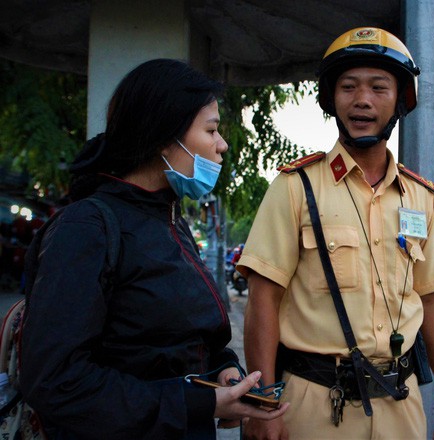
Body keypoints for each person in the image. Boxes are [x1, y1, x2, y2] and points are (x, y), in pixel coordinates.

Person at [20, 59, 287, 439]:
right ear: (165, 137)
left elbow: (181, 342)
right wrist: (200, 403)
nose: (222, 144)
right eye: (211, 130)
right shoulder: (86, 228)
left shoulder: (169, 219)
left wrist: (225, 370)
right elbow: (56, 382)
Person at [237, 27, 434, 439]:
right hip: (313, 402)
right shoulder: (295, 187)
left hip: (402, 400)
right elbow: (263, 300)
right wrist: (262, 403)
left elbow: (431, 297)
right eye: (348, 87)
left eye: (379, 87)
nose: (362, 99)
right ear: (331, 99)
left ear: (400, 101)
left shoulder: (419, 196)